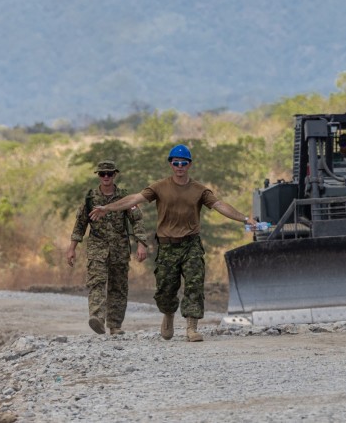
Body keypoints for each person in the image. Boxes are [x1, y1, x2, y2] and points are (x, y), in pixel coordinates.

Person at [89, 145, 256, 342]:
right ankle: (168, 315)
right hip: (167, 246)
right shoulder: (160, 187)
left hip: (191, 244)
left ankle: (191, 327)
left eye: (183, 163)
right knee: (165, 290)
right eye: (175, 162)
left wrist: (245, 219)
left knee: (194, 283)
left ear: (189, 165)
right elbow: (135, 198)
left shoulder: (199, 190)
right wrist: (108, 208)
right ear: (170, 164)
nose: (179, 166)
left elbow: (220, 205)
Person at [66, 160, 148, 336]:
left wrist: (141, 243)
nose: (105, 177)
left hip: (119, 248)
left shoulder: (125, 197)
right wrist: (72, 248)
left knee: (118, 287)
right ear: (98, 175)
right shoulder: (90, 198)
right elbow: (80, 224)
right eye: (102, 174)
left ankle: (115, 325)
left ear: (114, 175)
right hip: (97, 247)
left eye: (109, 174)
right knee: (97, 282)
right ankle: (96, 318)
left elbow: (137, 221)